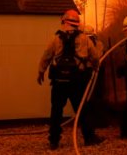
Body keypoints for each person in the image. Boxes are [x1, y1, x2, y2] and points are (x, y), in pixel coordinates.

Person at [37, 10, 104, 150]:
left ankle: (54, 141)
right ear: (76, 23)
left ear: (64, 21)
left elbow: (46, 56)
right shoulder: (84, 39)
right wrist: (96, 67)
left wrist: (41, 72)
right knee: (82, 111)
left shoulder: (55, 38)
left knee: (56, 111)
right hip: (77, 82)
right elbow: (94, 57)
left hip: (59, 82)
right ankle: (89, 138)